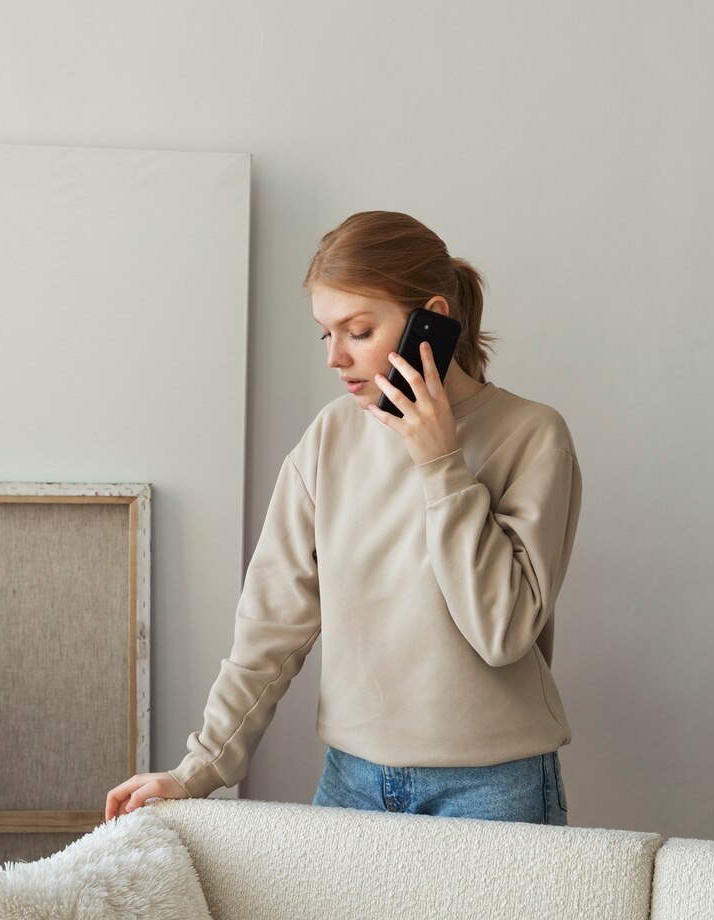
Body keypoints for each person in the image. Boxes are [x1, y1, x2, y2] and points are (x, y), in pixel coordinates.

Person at [105, 210, 581, 825]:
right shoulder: (330, 437)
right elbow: (271, 625)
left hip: (494, 789)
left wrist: (440, 463)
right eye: (324, 333)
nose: (335, 358)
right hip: (352, 781)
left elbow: (503, 632)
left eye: (357, 330)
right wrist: (199, 768)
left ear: (430, 319)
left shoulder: (534, 436)